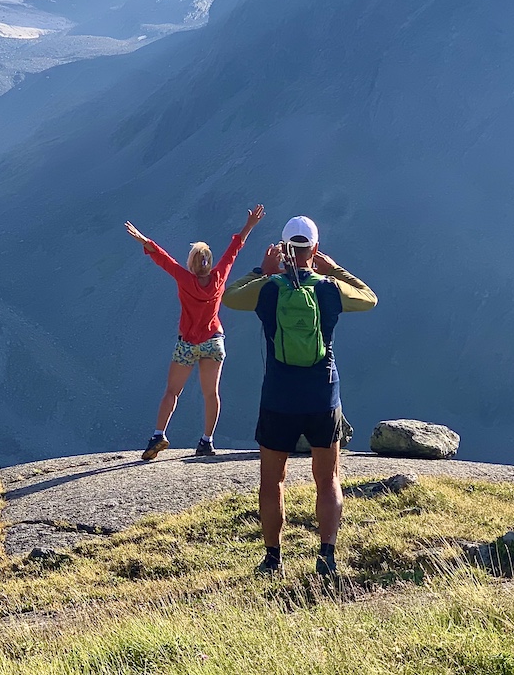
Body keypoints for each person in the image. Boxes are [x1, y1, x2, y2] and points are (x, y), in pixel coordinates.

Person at [223, 215, 377, 576]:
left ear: (283, 249)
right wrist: (335, 269)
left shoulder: (269, 288)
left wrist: (262, 268)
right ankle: (326, 556)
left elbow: (228, 298)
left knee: (272, 481)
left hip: (278, 397)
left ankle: (273, 558)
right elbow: (370, 298)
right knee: (327, 479)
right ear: (315, 248)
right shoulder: (329, 288)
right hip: (323, 396)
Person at [125, 205, 265, 460]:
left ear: (191, 263)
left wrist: (144, 241)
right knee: (211, 394)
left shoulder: (184, 278)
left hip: (188, 342)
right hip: (214, 341)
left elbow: (163, 259)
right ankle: (207, 441)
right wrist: (250, 224)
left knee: (172, 392)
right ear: (209, 263)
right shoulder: (220, 276)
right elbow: (235, 249)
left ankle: (158, 434)